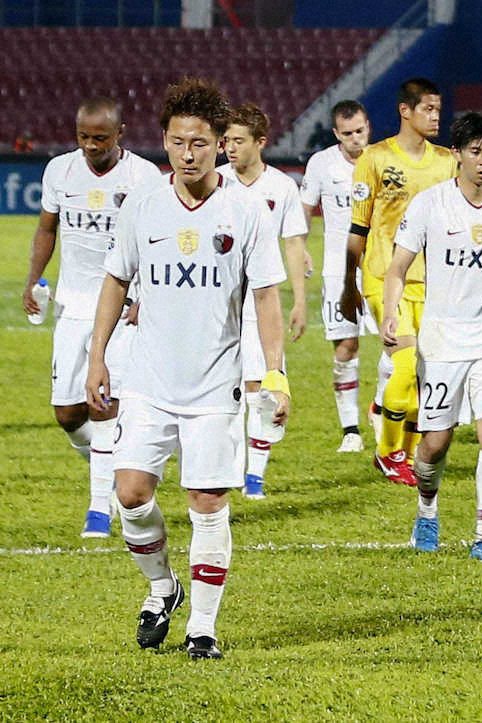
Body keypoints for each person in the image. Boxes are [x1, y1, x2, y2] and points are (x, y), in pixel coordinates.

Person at [85, 77, 288, 659]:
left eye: (199, 143)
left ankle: (203, 628)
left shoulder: (245, 211)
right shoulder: (143, 205)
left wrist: (275, 374)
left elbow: (266, 296)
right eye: (177, 142)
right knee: (130, 494)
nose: (187, 154)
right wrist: (97, 357)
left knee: (207, 502)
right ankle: (161, 587)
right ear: (165, 141)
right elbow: (116, 280)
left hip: (215, 385)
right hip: (148, 379)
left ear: (221, 143)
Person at [381, 112, 482, 562]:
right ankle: (427, 510)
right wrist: (390, 313)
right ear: (457, 154)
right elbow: (397, 268)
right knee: (435, 442)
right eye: (476, 152)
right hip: (442, 341)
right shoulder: (430, 204)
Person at [22, 97, 161, 538]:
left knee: (104, 405)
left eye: (100, 138)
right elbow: (47, 228)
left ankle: (99, 509)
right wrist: (33, 279)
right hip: (73, 306)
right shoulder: (59, 171)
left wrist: (145, 295)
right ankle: (110, 464)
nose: (90, 145)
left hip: (121, 307)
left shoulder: (143, 177)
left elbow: (156, 240)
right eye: (83, 136)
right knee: (67, 412)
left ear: (120, 134)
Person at [341, 78, 456, 486]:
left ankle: (405, 452)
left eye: (438, 109)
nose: (436, 116)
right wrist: (349, 284)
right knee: (404, 366)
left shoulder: (447, 162)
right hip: (383, 277)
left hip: (432, 282)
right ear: (405, 111)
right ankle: (389, 452)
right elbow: (358, 228)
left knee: (425, 377)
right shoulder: (374, 159)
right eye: (428, 109)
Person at [219, 103, 308, 500]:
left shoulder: (282, 187)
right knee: (226, 387)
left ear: (260, 142)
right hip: (220, 299)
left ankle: (254, 476)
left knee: (261, 384)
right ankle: (232, 468)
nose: (229, 148)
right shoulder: (216, 182)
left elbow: (294, 244)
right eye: (226, 140)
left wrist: (300, 302)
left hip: (261, 300)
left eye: (238, 141)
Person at [301, 100, 373, 454]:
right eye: (347, 134)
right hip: (337, 271)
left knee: (398, 343)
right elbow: (304, 208)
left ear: (368, 127)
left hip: (380, 268)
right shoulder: (321, 164)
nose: (355, 139)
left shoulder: (382, 160)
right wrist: (301, 248)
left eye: (360, 131)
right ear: (336, 134)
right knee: (346, 346)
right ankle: (351, 430)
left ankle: (383, 409)